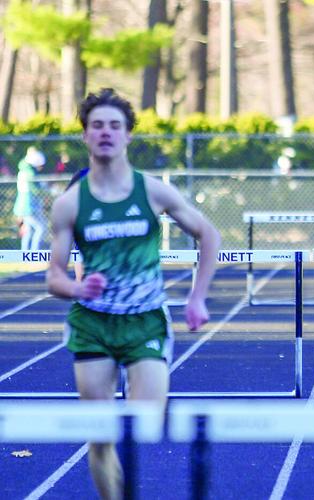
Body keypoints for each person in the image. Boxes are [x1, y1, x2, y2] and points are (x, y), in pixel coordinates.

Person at [46, 89, 221, 500]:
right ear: (86, 136)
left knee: (146, 421)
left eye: (115, 125)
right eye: (97, 126)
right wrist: (76, 287)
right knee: (101, 435)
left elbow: (208, 234)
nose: (106, 132)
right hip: (92, 324)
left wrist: (197, 297)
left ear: (127, 136)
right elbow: (53, 277)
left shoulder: (153, 192)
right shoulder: (69, 205)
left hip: (143, 320)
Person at [13, 146, 47, 250]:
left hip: (24, 206)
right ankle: (34, 252)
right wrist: (45, 191)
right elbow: (35, 190)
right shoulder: (29, 173)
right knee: (40, 228)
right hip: (28, 207)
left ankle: (25, 253)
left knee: (28, 230)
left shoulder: (25, 170)